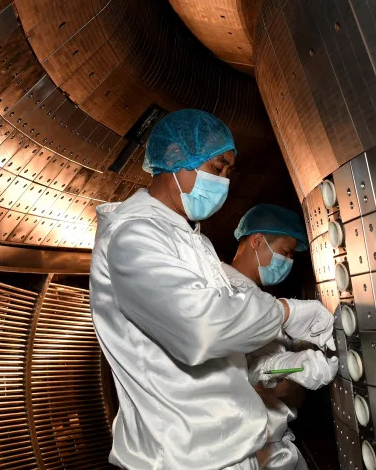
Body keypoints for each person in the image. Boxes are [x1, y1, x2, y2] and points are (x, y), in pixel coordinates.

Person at [89, 109, 336, 470]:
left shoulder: (191, 239)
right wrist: (288, 313)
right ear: (177, 160)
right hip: (181, 457)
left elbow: (234, 358)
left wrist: (293, 365)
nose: (224, 182)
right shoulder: (134, 235)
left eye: (228, 173)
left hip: (227, 446)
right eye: (217, 168)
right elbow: (200, 329)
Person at [222, 204, 339, 470]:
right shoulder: (227, 295)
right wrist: (292, 370)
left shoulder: (258, 299)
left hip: (272, 446)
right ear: (257, 241)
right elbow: (254, 382)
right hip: (254, 454)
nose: (288, 262)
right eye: (286, 253)